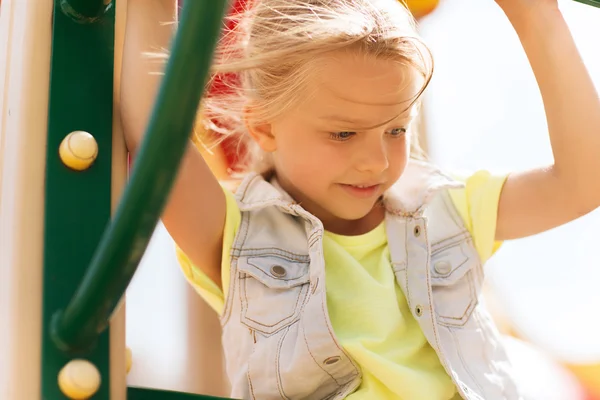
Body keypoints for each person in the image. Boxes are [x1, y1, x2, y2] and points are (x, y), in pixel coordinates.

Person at [120, 0, 600, 398]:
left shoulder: (445, 210)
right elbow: (156, 138)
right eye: (343, 133)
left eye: (396, 129)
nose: (376, 161)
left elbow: (582, 183)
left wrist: (538, 19)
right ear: (264, 125)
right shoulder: (240, 235)